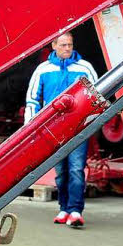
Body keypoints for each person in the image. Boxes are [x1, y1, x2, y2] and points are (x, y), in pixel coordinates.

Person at [25, 31, 98, 227]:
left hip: (78, 128)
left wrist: (92, 122)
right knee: (61, 172)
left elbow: (98, 95)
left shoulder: (85, 68)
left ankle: (75, 211)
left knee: (75, 169)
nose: (67, 49)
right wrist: (30, 127)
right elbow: (32, 100)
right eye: (63, 45)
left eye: (70, 45)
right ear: (54, 46)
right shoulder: (43, 70)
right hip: (53, 130)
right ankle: (63, 208)